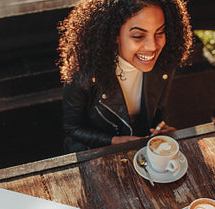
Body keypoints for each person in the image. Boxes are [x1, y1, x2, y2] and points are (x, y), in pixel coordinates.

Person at [57, 0, 193, 153]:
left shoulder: (164, 63)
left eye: (159, 32)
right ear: (114, 34)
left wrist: (161, 128)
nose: (153, 46)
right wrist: (114, 141)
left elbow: (159, 110)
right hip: (96, 155)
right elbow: (73, 128)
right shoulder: (84, 73)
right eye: (138, 36)